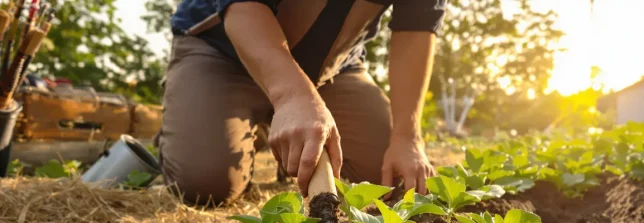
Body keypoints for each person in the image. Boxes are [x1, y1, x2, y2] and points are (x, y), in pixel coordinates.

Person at [160, 0, 445, 205]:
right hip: (222, 51)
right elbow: (243, 7)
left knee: (385, 176)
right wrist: (291, 96)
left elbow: (417, 25)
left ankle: (284, 126)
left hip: (330, 70)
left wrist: (407, 138)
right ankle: (191, 126)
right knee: (206, 184)